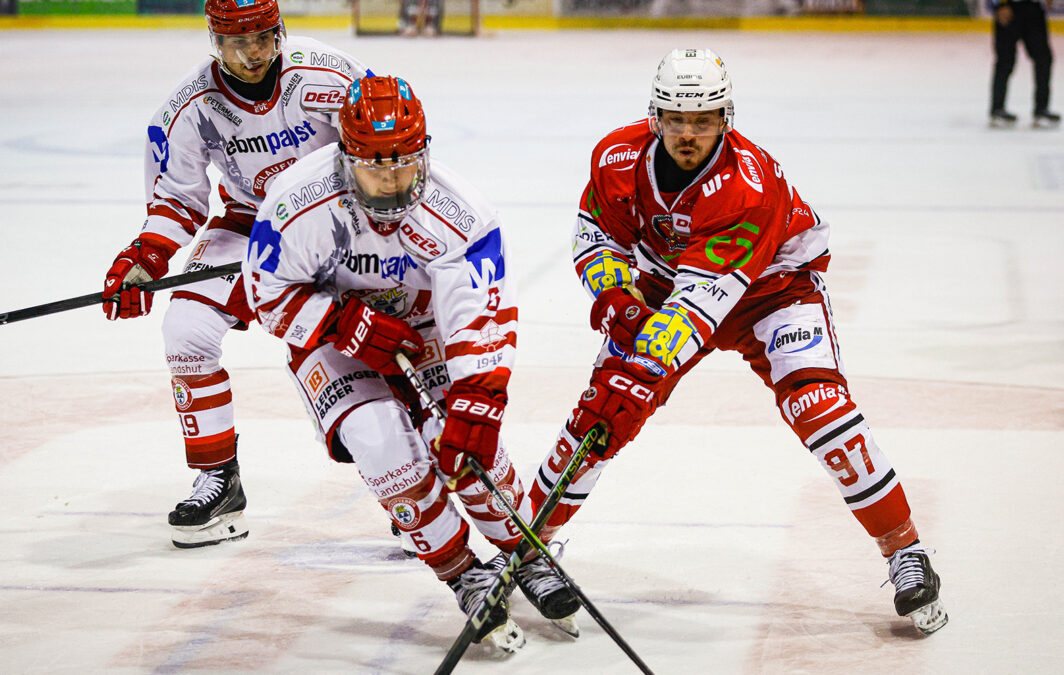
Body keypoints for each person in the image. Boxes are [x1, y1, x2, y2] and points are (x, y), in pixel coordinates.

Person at [527, 48, 949, 636]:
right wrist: (615, 293)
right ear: (655, 116)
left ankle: (905, 549)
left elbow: (699, 310)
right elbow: (595, 235)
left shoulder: (746, 187)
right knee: (602, 414)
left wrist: (639, 368)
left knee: (818, 408)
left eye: (702, 121)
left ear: (726, 119)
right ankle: (526, 543)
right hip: (668, 283)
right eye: (676, 118)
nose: (687, 134)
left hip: (770, 290)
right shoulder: (616, 156)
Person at [242, 75, 580, 646]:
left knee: (469, 441)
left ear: (425, 151)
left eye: (404, 163)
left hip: (425, 329)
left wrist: (479, 401)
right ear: (346, 158)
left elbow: (479, 317)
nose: (393, 179)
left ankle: (527, 553)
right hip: (331, 334)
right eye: (375, 166)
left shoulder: (460, 212)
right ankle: (462, 573)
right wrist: (342, 322)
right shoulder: (296, 204)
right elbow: (267, 294)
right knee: (378, 438)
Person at [101, 0, 371, 548]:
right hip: (252, 224)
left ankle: (409, 484)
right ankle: (218, 479)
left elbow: (386, 159)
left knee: (372, 342)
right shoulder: (189, 105)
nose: (253, 53)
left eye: (263, 37)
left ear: (280, 31)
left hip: (339, 224)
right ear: (214, 41)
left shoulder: (332, 77)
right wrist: (145, 257)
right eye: (237, 40)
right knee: (185, 329)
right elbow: (177, 196)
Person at [989, 0, 1060, 127]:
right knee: (1005, 61)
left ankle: (1041, 109)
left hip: (1034, 8)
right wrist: (1000, 5)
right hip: (1009, 6)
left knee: (1043, 59)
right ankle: (997, 109)